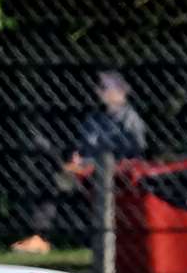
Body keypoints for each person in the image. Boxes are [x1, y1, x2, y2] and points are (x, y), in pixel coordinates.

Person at [11, 70, 149, 254]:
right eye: (99, 87)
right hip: (85, 172)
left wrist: (96, 166)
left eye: (104, 87)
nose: (99, 91)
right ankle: (39, 238)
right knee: (48, 168)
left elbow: (134, 157)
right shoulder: (95, 119)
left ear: (122, 90)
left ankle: (40, 236)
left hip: (113, 176)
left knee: (57, 182)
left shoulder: (131, 121)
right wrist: (77, 160)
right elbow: (82, 149)